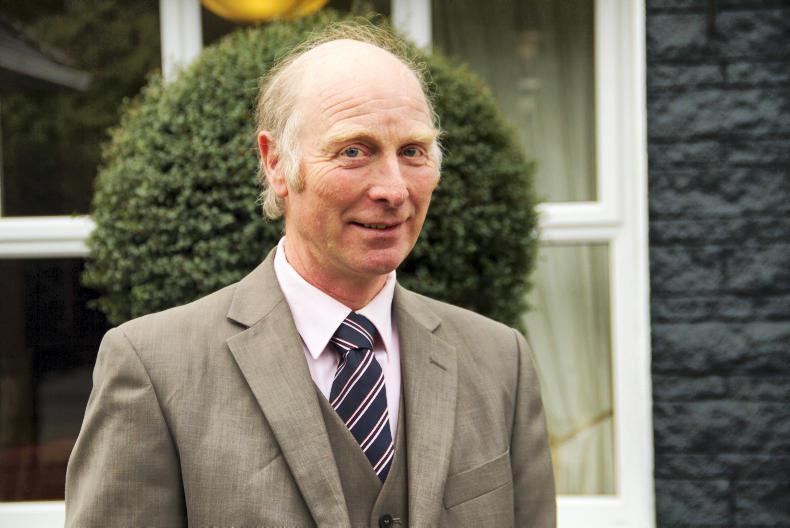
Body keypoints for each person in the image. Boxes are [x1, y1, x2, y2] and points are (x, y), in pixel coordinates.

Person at [65, 22, 555, 527]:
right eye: (354, 151)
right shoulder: (154, 369)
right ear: (276, 163)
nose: (393, 189)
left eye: (412, 151)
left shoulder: (501, 362)